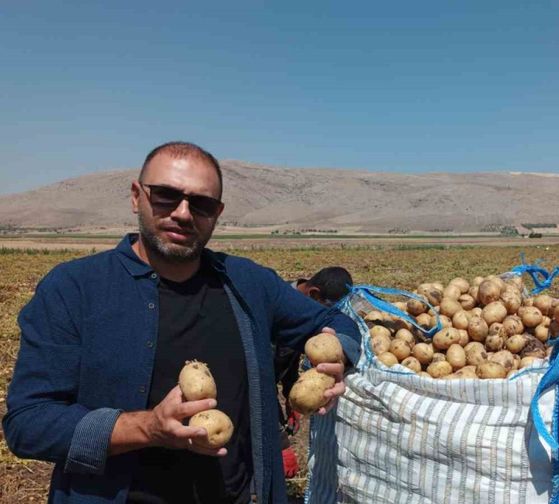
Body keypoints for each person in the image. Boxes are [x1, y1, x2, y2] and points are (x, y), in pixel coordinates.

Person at [2, 141, 361, 504]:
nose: (183, 213)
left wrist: (339, 354)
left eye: (201, 203)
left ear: (217, 213)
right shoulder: (75, 288)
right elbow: (28, 422)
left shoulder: (248, 283)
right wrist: (148, 428)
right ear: (135, 196)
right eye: (166, 196)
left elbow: (335, 321)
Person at [274, 267, 353, 478]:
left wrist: (291, 393)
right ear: (314, 294)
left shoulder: (304, 311)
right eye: (325, 311)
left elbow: (287, 358)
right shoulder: (275, 304)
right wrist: (280, 442)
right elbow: (255, 384)